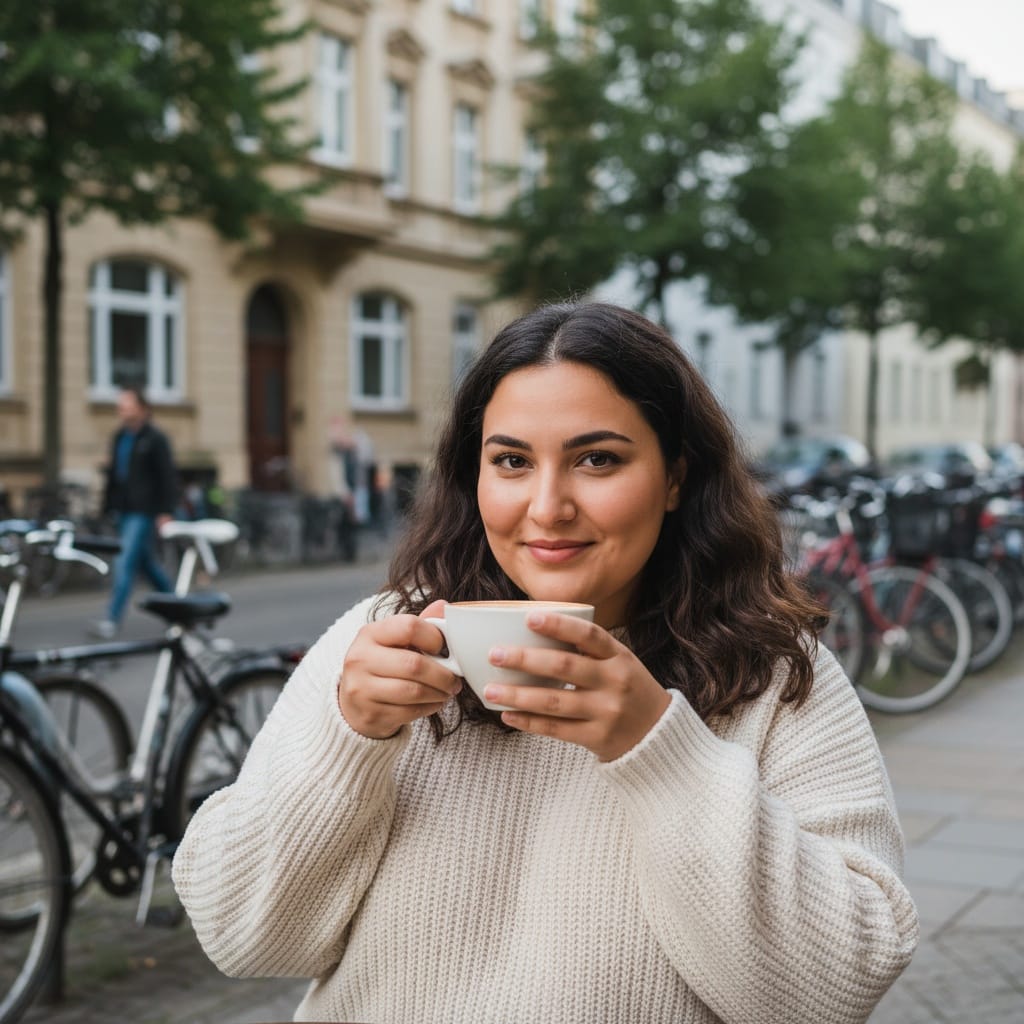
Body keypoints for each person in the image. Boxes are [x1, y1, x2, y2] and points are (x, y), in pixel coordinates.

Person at [172, 302, 918, 1024]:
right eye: (512, 461)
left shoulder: (775, 676)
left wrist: (657, 748)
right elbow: (243, 936)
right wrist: (349, 739)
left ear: (676, 478)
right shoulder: (382, 639)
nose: (548, 505)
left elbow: (833, 990)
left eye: (598, 459)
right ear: (475, 476)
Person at [91, 386, 177, 638]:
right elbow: (114, 475)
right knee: (147, 564)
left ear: (141, 408)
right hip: (123, 509)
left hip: (143, 511)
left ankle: (111, 619)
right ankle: (177, 607)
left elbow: (167, 477)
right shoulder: (120, 437)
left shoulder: (154, 438)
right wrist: (106, 507)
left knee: (124, 562)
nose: (121, 409)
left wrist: (165, 510)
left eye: (126, 405)